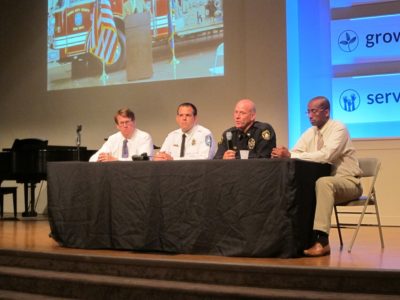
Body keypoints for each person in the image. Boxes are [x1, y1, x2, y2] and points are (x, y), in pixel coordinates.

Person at [271, 96, 363, 257]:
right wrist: (285, 154)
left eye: (313, 111)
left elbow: (326, 156)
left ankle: (322, 241)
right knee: (305, 187)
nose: (309, 115)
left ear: (326, 112)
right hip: (325, 186)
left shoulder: (338, 129)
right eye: (308, 111)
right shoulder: (311, 132)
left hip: (349, 182)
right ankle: (296, 240)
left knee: (323, 183)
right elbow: (296, 151)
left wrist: (290, 154)